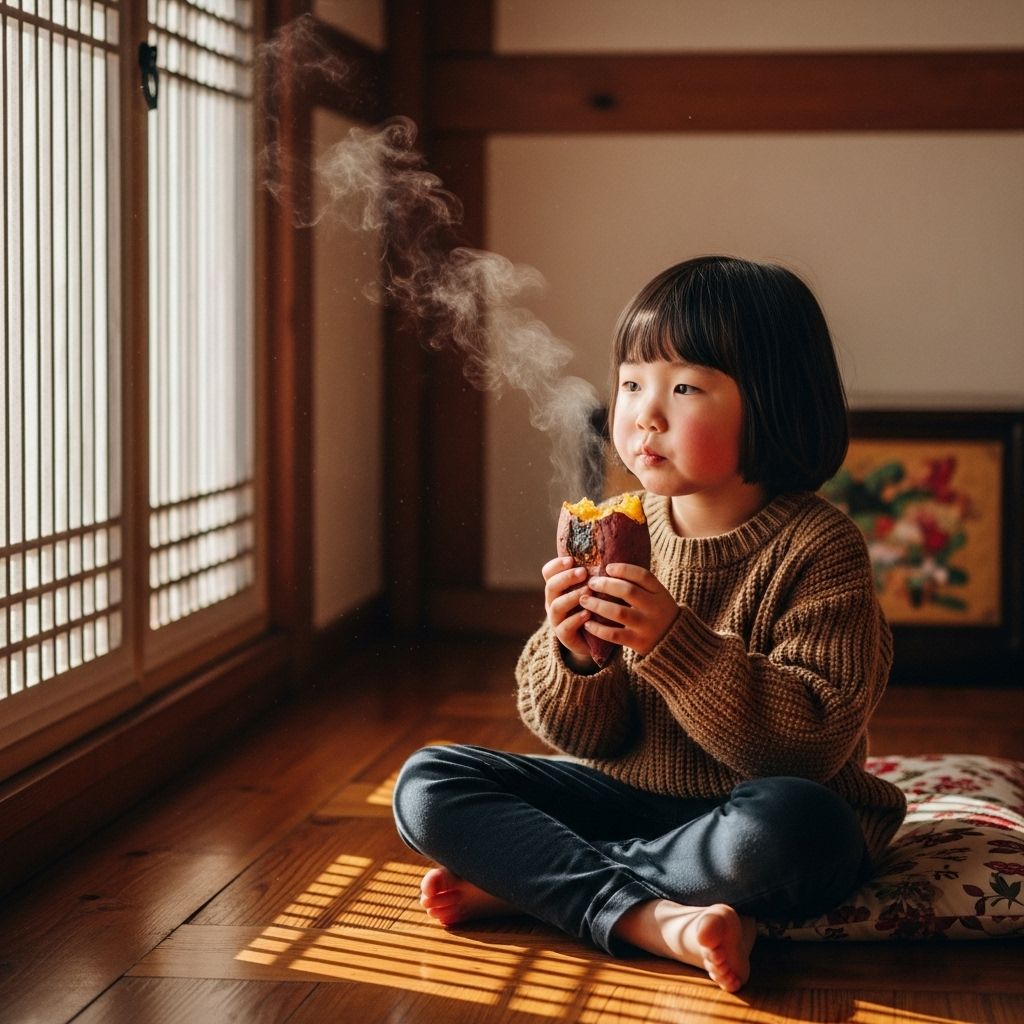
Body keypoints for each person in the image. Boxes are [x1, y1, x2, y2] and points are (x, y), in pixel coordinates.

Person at [392, 256, 907, 993]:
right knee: (427, 782)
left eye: (685, 386)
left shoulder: (821, 548)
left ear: (774, 403)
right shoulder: (624, 528)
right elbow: (585, 740)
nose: (645, 412)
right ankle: (653, 918)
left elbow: (805, 746)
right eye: (632, 382)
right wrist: (579, 657)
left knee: (803, 830)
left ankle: (543, 885)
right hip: (630, 802)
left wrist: (675, 645)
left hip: (747, 817)